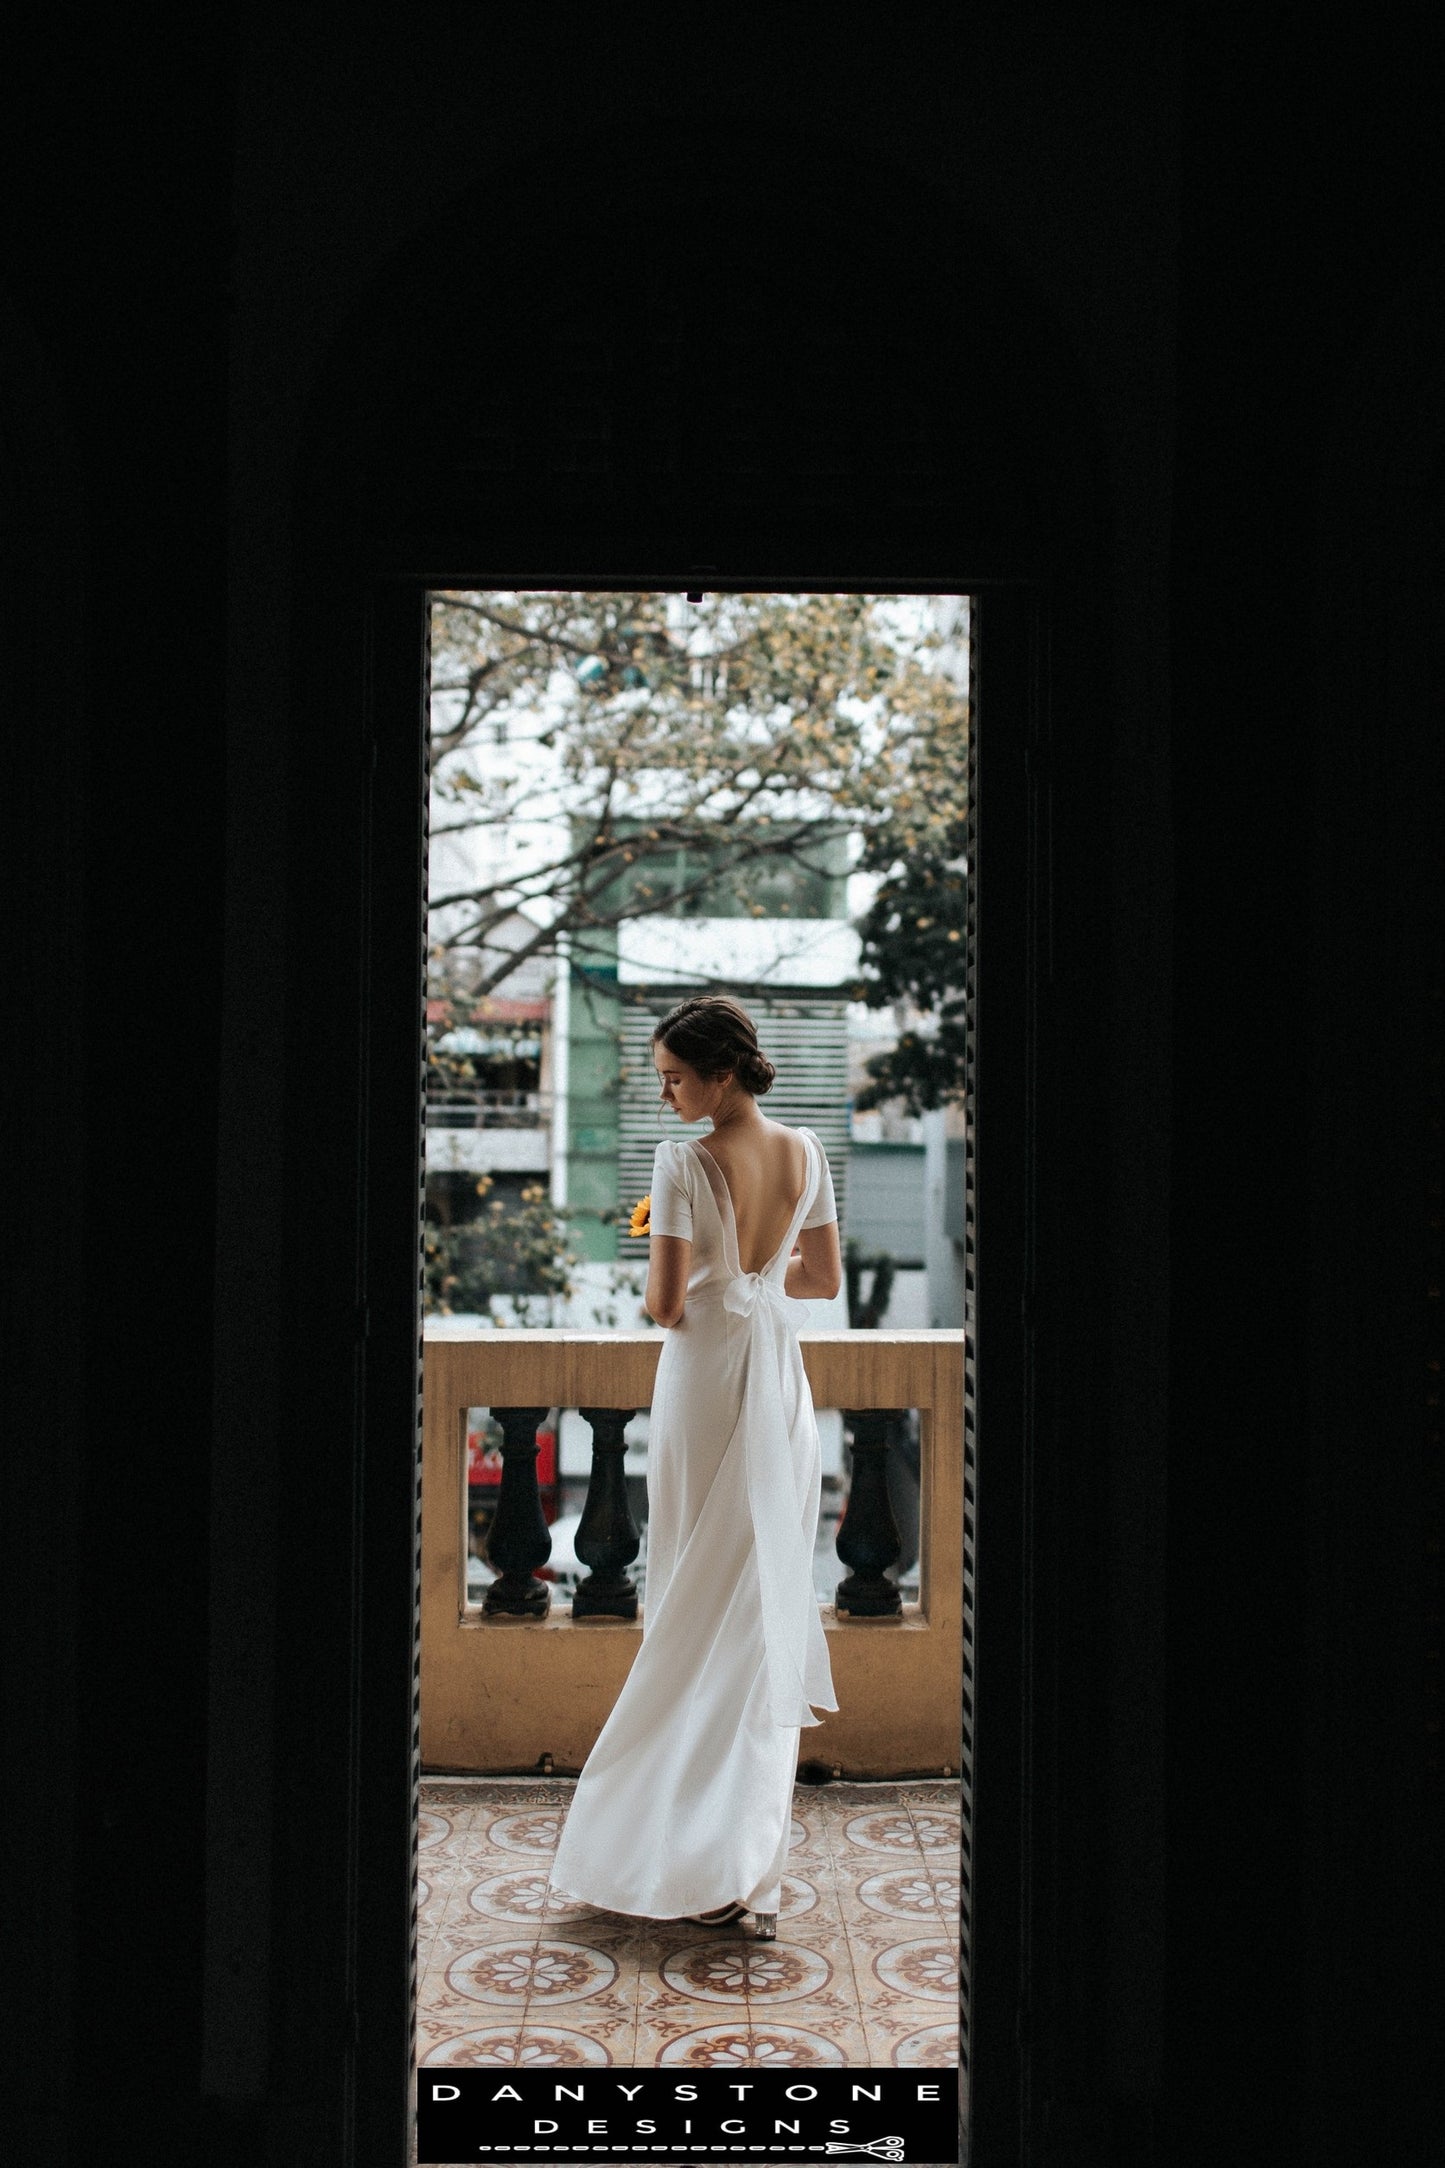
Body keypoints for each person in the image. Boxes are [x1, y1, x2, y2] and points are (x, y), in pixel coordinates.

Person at [547, 994, 841, 1940]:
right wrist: (752, 1275)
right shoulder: (805, 1152)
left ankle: (664, 1842)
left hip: (708, 1381)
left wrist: (678, 1255)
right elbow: (820, 1279)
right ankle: (733, 1860)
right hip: (778, 1390)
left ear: (719, 1073)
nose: (666, 1093)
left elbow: (666, 1307)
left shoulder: (681, 1162)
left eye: (675, 1076)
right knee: (757, 1612)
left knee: (685, 1604)